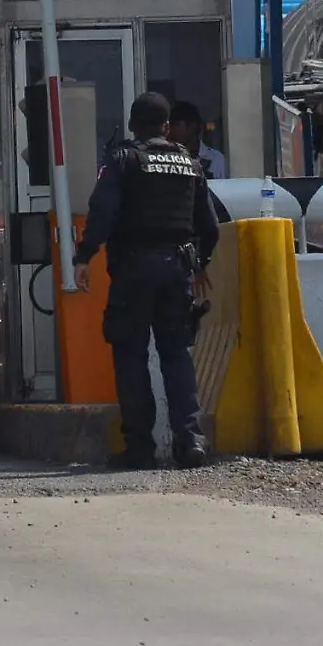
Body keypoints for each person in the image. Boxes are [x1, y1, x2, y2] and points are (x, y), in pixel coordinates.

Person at [73, 92, 221, 470]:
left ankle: (140, 448)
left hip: (133, 270)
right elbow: (210, 226)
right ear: (167, 127)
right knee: (176, 354)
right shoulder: (190, 163)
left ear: (133, 125)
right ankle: (190, 442)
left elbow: (103, 211)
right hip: (177, 270)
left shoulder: (123, 159)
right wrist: (199, 261)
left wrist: (84, 255)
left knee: (131, 355)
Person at [166, 100, 228, 180]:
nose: (170, 130)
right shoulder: (166, 158)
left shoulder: (216, 159)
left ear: (192, 126)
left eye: (175, 124)